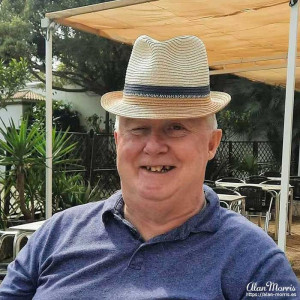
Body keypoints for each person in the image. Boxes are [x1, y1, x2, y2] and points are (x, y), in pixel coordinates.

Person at [0, 35, 299, 299]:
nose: (153, 146)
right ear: (118, 141)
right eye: (139, 128)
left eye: (176, 127)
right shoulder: (56, 234)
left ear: (211, 143)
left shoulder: (257, 263)